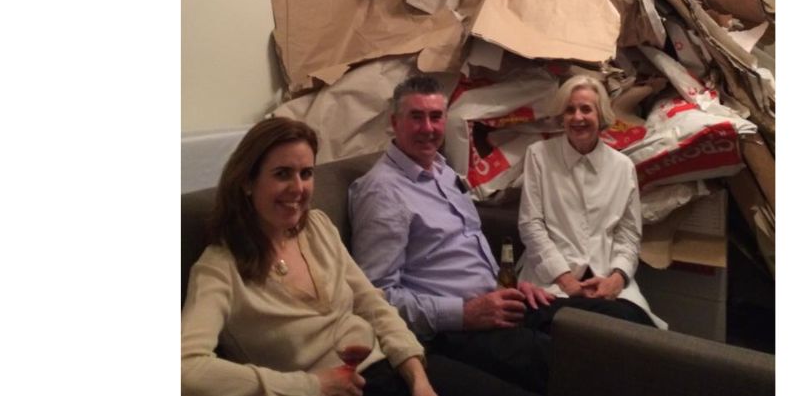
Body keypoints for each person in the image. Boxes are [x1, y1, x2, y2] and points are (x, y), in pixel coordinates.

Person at [348, 74, 653, 395]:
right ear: (395, 123)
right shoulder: (382, 193)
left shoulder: (440, 169)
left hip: (503, 299)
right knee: (576, 363)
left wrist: (509, 284)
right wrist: (464, 314)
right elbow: (376, 299)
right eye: (416, 117)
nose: (428, 128)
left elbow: (465, 250)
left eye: (436, 117)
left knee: (621, 320)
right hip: (458, 327)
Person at [182, 117, 531, 396]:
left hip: (393, 367)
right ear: (247, 182)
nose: (298, 188)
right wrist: (310, 386)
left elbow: (372, 303)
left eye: (306, 173)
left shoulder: (316, 227)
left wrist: (417, 377)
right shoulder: (219, 268)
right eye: (282, 174)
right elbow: (186, 370)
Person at [518, 75, 663, 330]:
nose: (577, 117)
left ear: (601, 115)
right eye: (570, 110)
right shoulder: (539, 156)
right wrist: (565, 279)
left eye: (586, 109)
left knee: (631, 330)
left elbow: (629, 235)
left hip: (606, 281)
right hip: (551, 279)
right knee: (577, 328)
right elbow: (531, 226)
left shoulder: (622, 167)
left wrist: (616, 279)